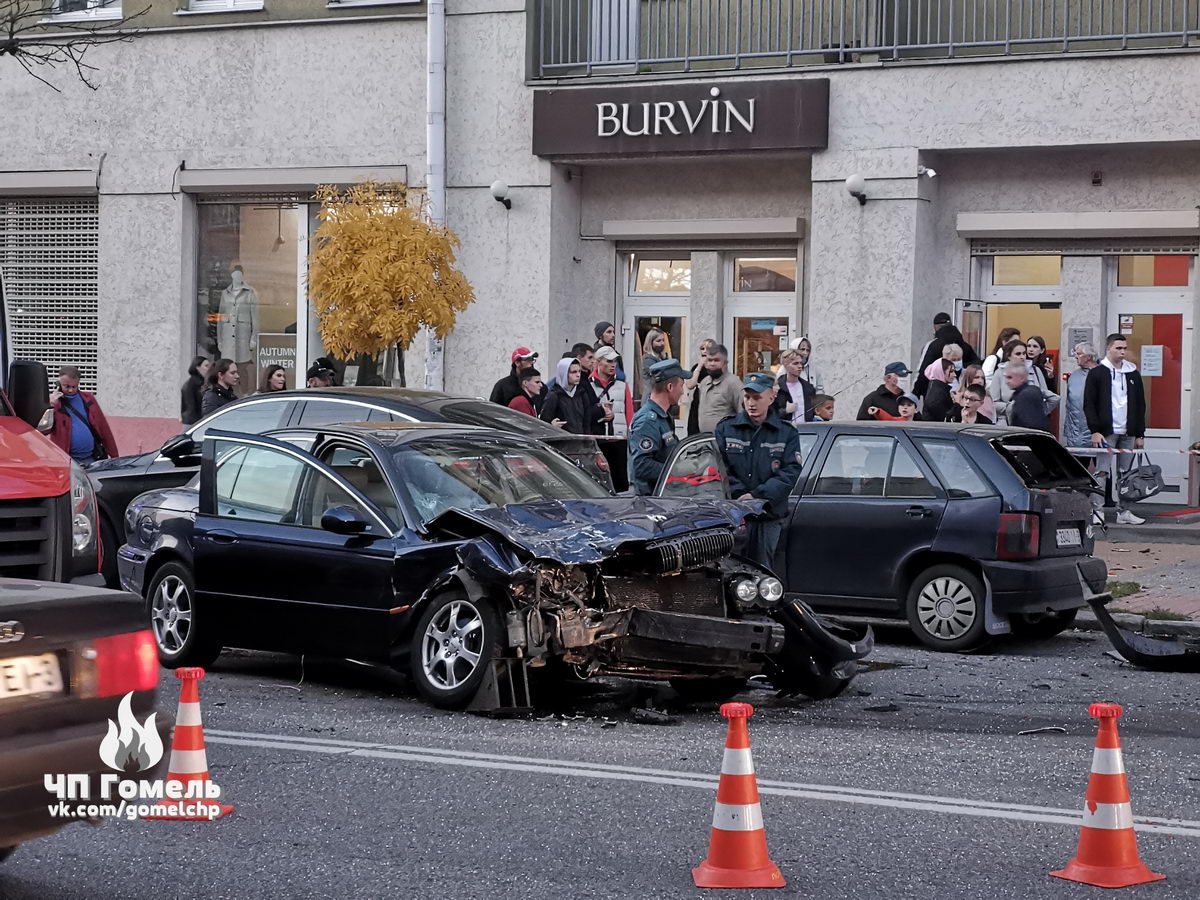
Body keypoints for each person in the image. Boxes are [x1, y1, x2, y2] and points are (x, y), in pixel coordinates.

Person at [713, 372, 804, 570]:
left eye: (757, 397)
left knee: (764, 575)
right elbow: (719, 468)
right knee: (730, 574)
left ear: (771, 398)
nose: (751, 403)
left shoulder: (786, 433)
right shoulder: (726, 429)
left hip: (768, 517)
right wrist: (740, 495)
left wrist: (756, 496)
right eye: (747, 397)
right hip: (735, 516)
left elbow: (790, 473)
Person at [1084, 334, 1148, 526]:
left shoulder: (1132, 373)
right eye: (1118, 348)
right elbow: (1089, 403)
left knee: (1126, 473)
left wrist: (1140, 433)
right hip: (1106, 431)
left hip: (1128, 431)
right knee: (1102, 471)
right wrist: (1095, 430)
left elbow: (1140, 405)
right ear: (1108, 348)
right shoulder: (1097, 373)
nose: (1122, 352)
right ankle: (1097, 510)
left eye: (1124, 348)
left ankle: (1124, 511)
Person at [627, 358, 688, 495]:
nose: (682, 392)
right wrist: (674, 471)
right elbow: (641, 466)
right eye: (681, 386)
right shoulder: (647, 421)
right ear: (670, 387)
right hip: (648, 499)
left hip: (661, 494)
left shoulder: (664, 417)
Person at [49, 366, 118, 463]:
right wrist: (51, 405)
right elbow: (44, 430)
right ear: (59, 384)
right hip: (68, 461)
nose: (71, 390)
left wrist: (115, 456)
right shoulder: (55, 403)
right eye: (67, 386)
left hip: (92, 458)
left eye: (74, 387)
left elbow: (103, 428)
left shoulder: (87, 398)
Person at [988, 339, 1057, 424]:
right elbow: (993, 403)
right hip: (1007, 423)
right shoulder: (999, 372)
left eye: (1024, 353)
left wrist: (1040, 412)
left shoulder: (1035, 370)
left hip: (1032, 422)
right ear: (1008, 356)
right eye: (1018, 354)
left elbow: (1047, 397)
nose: (1022, 357)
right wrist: (1012, 407)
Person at [913, 313, 981, 397]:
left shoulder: (933, 346)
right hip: (962, 394)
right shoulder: (965, 345)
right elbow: (976, 365)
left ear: (935, 328)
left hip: (936, 394)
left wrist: (915, 394)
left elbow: (922, 371)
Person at [541, 358, 608, 434]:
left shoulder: (582, 394)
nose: (578, 375)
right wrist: (551, 426)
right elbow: (543, 423)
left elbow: (587, 422)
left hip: (580, 442)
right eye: (573, 372)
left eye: (579, 371)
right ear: (564, 373)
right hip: (561, 442)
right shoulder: (554, 395)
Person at [692, 344, 742, 432]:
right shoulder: (704, 382)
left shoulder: (733, 383)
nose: (712, 364)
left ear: (725, 362)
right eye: (709, 360)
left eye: (716, 360)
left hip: (726, 439)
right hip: (705, 440)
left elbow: (742, 413)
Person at [590, 345, 632, 437]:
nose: (613, 364)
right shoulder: (589, 385)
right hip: (596, 437)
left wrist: (630, 436)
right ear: (598, 361)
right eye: (609, 361)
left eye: (615, 361)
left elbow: (629, 415)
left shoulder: (623, 386)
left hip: (620, 438)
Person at [1063, 342, 1099, 449]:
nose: (1075, 357)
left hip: (1096, 433)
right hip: (1075, 433)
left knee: (1100, 464)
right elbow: (1069, 405)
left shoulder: (1102, 375)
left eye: (1079, 354)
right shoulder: (1073, 376)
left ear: (1088, 357)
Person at [774, 348, 815, 423]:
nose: (800, 366)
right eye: (795, 363)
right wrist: (785, 411)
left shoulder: (808, 388)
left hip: (806, 431)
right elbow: (769, 414)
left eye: (801, 363)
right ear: (786, 365)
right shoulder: (777, 388)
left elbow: (813, 411)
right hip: (785, 430)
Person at [685, 338, 717, 435]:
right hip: (697, 403)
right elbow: (690, 384)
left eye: (708, 349)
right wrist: (700, 366)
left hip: (711, 403)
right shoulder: (697, 367)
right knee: (693, 430)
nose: (705, 351)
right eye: (702, 348)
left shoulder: (717, 367)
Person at [1005, 362, 1049, 431]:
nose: (1006, 381)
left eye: (1010, 377)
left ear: (1022, 378)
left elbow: (1029, 426)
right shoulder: (1031, 390)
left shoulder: (1025, 396)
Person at [920, 356, 957, 422]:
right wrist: (957, 404)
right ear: (941, 372)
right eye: (951, 371)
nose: (954, 375)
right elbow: (945, 418)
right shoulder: (937, 393)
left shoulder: (937, 388)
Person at [640, 328, 668, 400]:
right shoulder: (648, 359)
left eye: (663, 340)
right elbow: (658, 376)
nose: (662, 343)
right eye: (658, 341)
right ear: (651, 343)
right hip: (651, 398)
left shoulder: (662, 357)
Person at [181, 356, 209, 426]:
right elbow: (191, 408)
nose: (208, 369)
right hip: (193, 424)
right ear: (198, 367)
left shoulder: (203, 383)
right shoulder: (192, 384)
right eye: (206, 366)